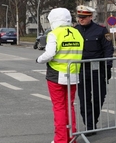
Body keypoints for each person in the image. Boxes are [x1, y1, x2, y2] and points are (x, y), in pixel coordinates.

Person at [36, 8, 84, 143]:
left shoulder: (54, 34)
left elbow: (50, 54)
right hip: (73, 73)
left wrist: (39, 60)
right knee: (70, 106)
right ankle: (71, 137)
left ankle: (60, 139)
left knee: (59, 107)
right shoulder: (77, 33)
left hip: (56, 74)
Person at [75, 5, 114, 135]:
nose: (81, 19)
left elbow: (108, 49)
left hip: (98, 70)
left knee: (99, 97)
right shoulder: (74, 31)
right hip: (81, 70)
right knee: (84, 99)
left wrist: (108, 67)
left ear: (90, 17)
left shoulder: (101, 30)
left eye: (84, 17)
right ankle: (90, 126)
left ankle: (93, 120)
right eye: (79, 17)